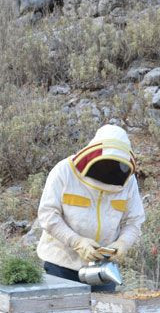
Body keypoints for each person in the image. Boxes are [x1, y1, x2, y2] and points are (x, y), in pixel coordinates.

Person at [36, 124, 146, 293]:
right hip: (61, 265)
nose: (109, 170)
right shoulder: (64, 171)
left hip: (103, 268)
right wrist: (77, 242)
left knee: (105, 310)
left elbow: (134, 221)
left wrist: (123, 242)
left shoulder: (128, 182)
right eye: (105, 165)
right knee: (63, 310)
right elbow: (48, 215)